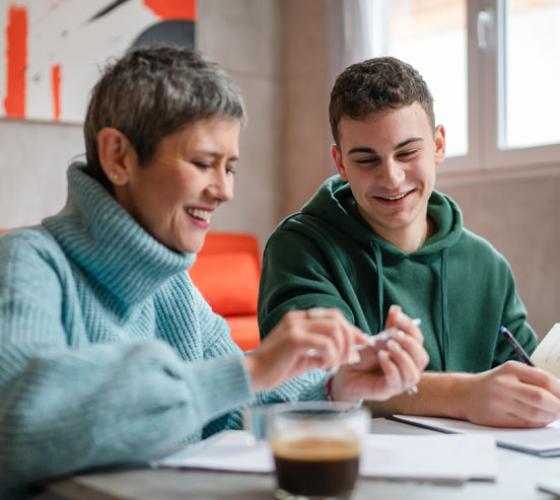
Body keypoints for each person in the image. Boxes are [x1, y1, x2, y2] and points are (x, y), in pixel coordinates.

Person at [0, 46, 428, 497]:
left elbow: (232, 402)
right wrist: (255, 366)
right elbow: (20, 423)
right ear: (119, 157)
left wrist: (338, 382)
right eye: (204, 163)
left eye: (231, 168)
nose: (224, 190)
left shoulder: (174, 287)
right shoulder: (27, 262)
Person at [258, 56, 560, 429]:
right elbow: (315, 380)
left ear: (438, 145)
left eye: (408, 152)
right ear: (340, 163)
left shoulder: (487, 265)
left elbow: (528, 378)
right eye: (367, 160)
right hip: (355, 468)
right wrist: (463, 396)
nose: (392, 178)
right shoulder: (301, 248)